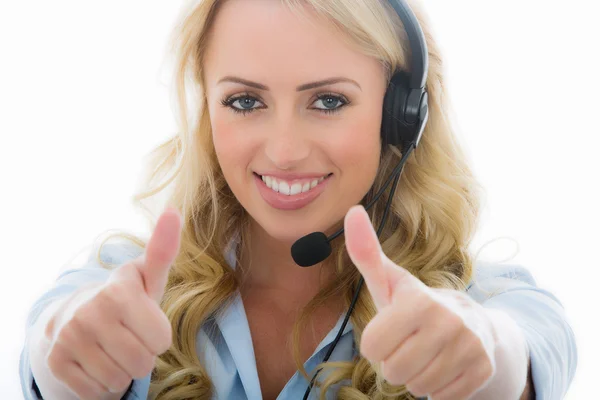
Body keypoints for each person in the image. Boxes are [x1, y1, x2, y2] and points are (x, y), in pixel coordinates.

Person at [19, 0, 577, 399]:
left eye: (329, 100)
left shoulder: (487, 299)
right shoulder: (121, 288)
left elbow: (523, 351)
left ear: (401, 116)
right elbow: (52, 346)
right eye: (243, 101)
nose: (284, 152)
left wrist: (485, 359)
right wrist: (66, 362)